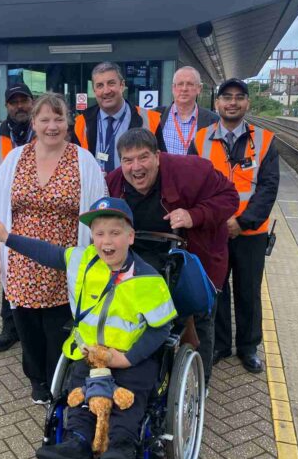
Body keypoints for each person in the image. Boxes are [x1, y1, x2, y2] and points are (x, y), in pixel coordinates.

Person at [0, 197, 176, 459]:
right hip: (88, 354)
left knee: (130, 396)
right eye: (99, 233)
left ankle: (121, 448)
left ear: (130, 236)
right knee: (80, 393)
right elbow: (46, 253)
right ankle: (77, 442)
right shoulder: (83, 260)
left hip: (131, 357)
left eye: (115, 232)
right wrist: (7, 238)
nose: (106, 241)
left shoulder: (150, 280)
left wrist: (126, 358)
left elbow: (160, 330)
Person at [0, 92, 105, 404]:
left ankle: (58, 380)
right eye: (45, 119)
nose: (52, 126)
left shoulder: (83, 161)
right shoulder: (14, 159)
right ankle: (37, 380)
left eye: (58, 118)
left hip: (64, 265)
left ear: (68, 122)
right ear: (34, 122)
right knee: (27, 329)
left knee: (58, 329)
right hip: (21, 263)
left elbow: (98, 214)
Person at [106, 128, 239, 387]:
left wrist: (194, 215)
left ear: (157, 156)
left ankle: (200, 385)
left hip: (193, 260)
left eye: (143, 158)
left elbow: (230, 197)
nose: (136, 168)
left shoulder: (191, 170)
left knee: (198, 317)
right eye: (127, 160)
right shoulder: (114, 182)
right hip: (143, 265)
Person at [189, 78, 279, 374]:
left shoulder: (265, 141)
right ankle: (221, 344)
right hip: (213, 232)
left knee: (248, 290)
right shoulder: (200, 139)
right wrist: (214, 219)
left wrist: (242, 222)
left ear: (247, 103)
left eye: (239, 97)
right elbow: (194, 187)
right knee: (216, 290)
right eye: (226, 97)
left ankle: (249, 347)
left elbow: (268, 188)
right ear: (216, 103)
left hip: (250, 233)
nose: (232, 102)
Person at [0, 83, 34, 354]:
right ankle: (10, 328)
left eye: (24, 100)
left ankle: (37, 327)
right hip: (7, 213)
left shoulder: (43, 129)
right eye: (13, 102)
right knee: (8, 270)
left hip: (37, 210)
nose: (19, 106)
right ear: (7, 106)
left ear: (32, 102)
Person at [71, 62, 163, 173]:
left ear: (122, 85)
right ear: (94, 90)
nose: (106, 91)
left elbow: (161, 164)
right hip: (95, 189)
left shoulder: (150, 120)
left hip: (134, 188)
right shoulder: (81, 123)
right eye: (100, 85)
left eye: (111, 83)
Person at [156, 66, 218, 154]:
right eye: (180, 84)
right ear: (173, 88)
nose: (184, 89)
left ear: (199, 88)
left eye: (189, 84)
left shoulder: (213, 121)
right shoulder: (155, 115)